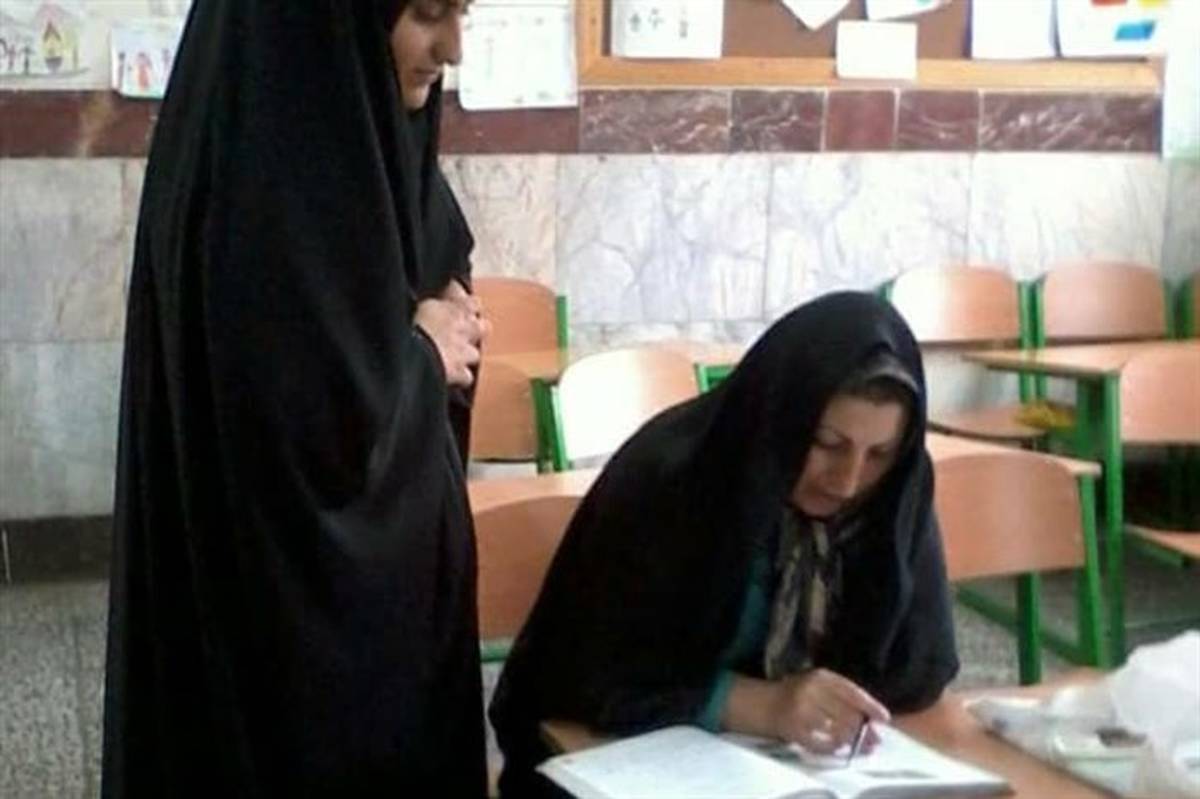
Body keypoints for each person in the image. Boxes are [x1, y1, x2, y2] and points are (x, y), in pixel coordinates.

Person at [102, 1, 488, 796]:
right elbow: (305, 442)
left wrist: (443, 319)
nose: (453, 48)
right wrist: (421, 356)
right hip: (280, 661)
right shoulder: (269, 180)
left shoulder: (362, 129)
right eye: (426, 12)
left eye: (463, 11)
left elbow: (430, 264)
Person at [490, 291, 960, 797]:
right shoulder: (675, 479)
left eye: (879, 454)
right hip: (617, 763)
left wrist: (835, 704)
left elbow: (920, 666)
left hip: (795, 773)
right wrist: (761, 705)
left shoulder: (893, 495)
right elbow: (582, 677)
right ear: (781, 417)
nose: (847, 482)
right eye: (827, 443)